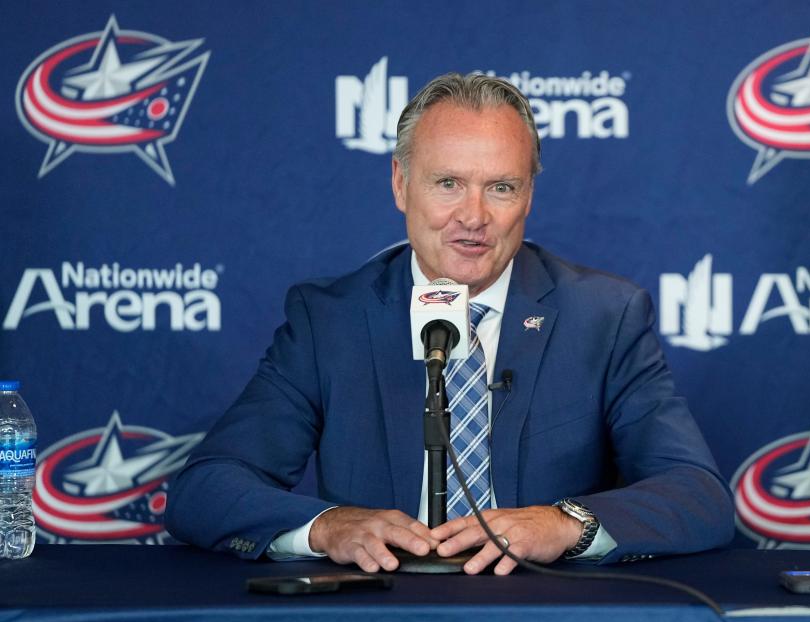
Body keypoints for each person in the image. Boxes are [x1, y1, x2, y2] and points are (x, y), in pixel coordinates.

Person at [166, 73, 734, 575]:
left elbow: (698, 496)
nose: (473, 217)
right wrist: (327, 526)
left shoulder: (604, 317)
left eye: (501, 188)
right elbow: (205, 490)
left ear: (529, 195)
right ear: (399, 184)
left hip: (545, 615)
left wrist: (564, 525)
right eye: (448, 184)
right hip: (377, 617)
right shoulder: (329, 321)